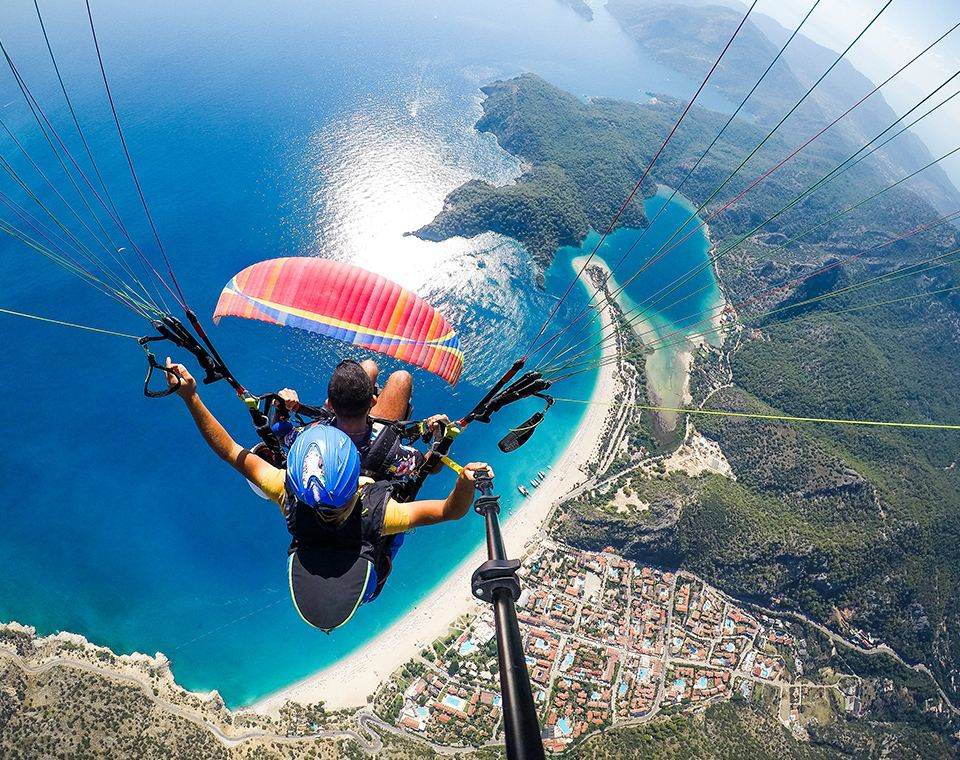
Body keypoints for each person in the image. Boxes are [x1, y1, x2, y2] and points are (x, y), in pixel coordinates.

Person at [164, 357, 490, 631]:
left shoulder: (288, 492)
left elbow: (231, 451)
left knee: (368, 367)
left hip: (343, 574)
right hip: (363, 575)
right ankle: (369, 387)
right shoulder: (381, 513)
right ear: (358, 478)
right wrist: (461, 475)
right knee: (395, 376)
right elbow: (449, 509)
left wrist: (190, 397)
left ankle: (364, 384)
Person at [274, 359, 448, 496]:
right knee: (401, 378)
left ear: (330, 405)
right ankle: (360, 396)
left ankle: (352, 397)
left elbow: (280, 434)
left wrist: (281, 405)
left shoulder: (310, 434)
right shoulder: (398, 455)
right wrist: (441, 437)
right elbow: (430, 467)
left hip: (350, 439)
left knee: (368, 367)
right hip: (377, 447)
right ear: (373, 401)